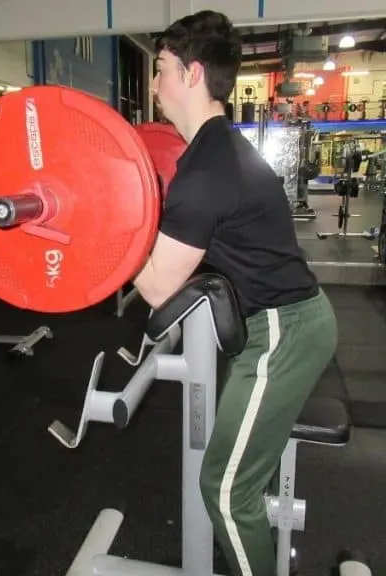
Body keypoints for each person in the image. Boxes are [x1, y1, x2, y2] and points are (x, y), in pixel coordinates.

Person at [131, 10, 338, 576]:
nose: (154, 84)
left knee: (225, 491)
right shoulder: (215, 149)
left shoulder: (206, 171)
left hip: (282, 334)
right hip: (279, 325)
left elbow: (154, 287)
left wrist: (105, 224)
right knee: (234, 476)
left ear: (193, 74)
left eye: (163, 69)